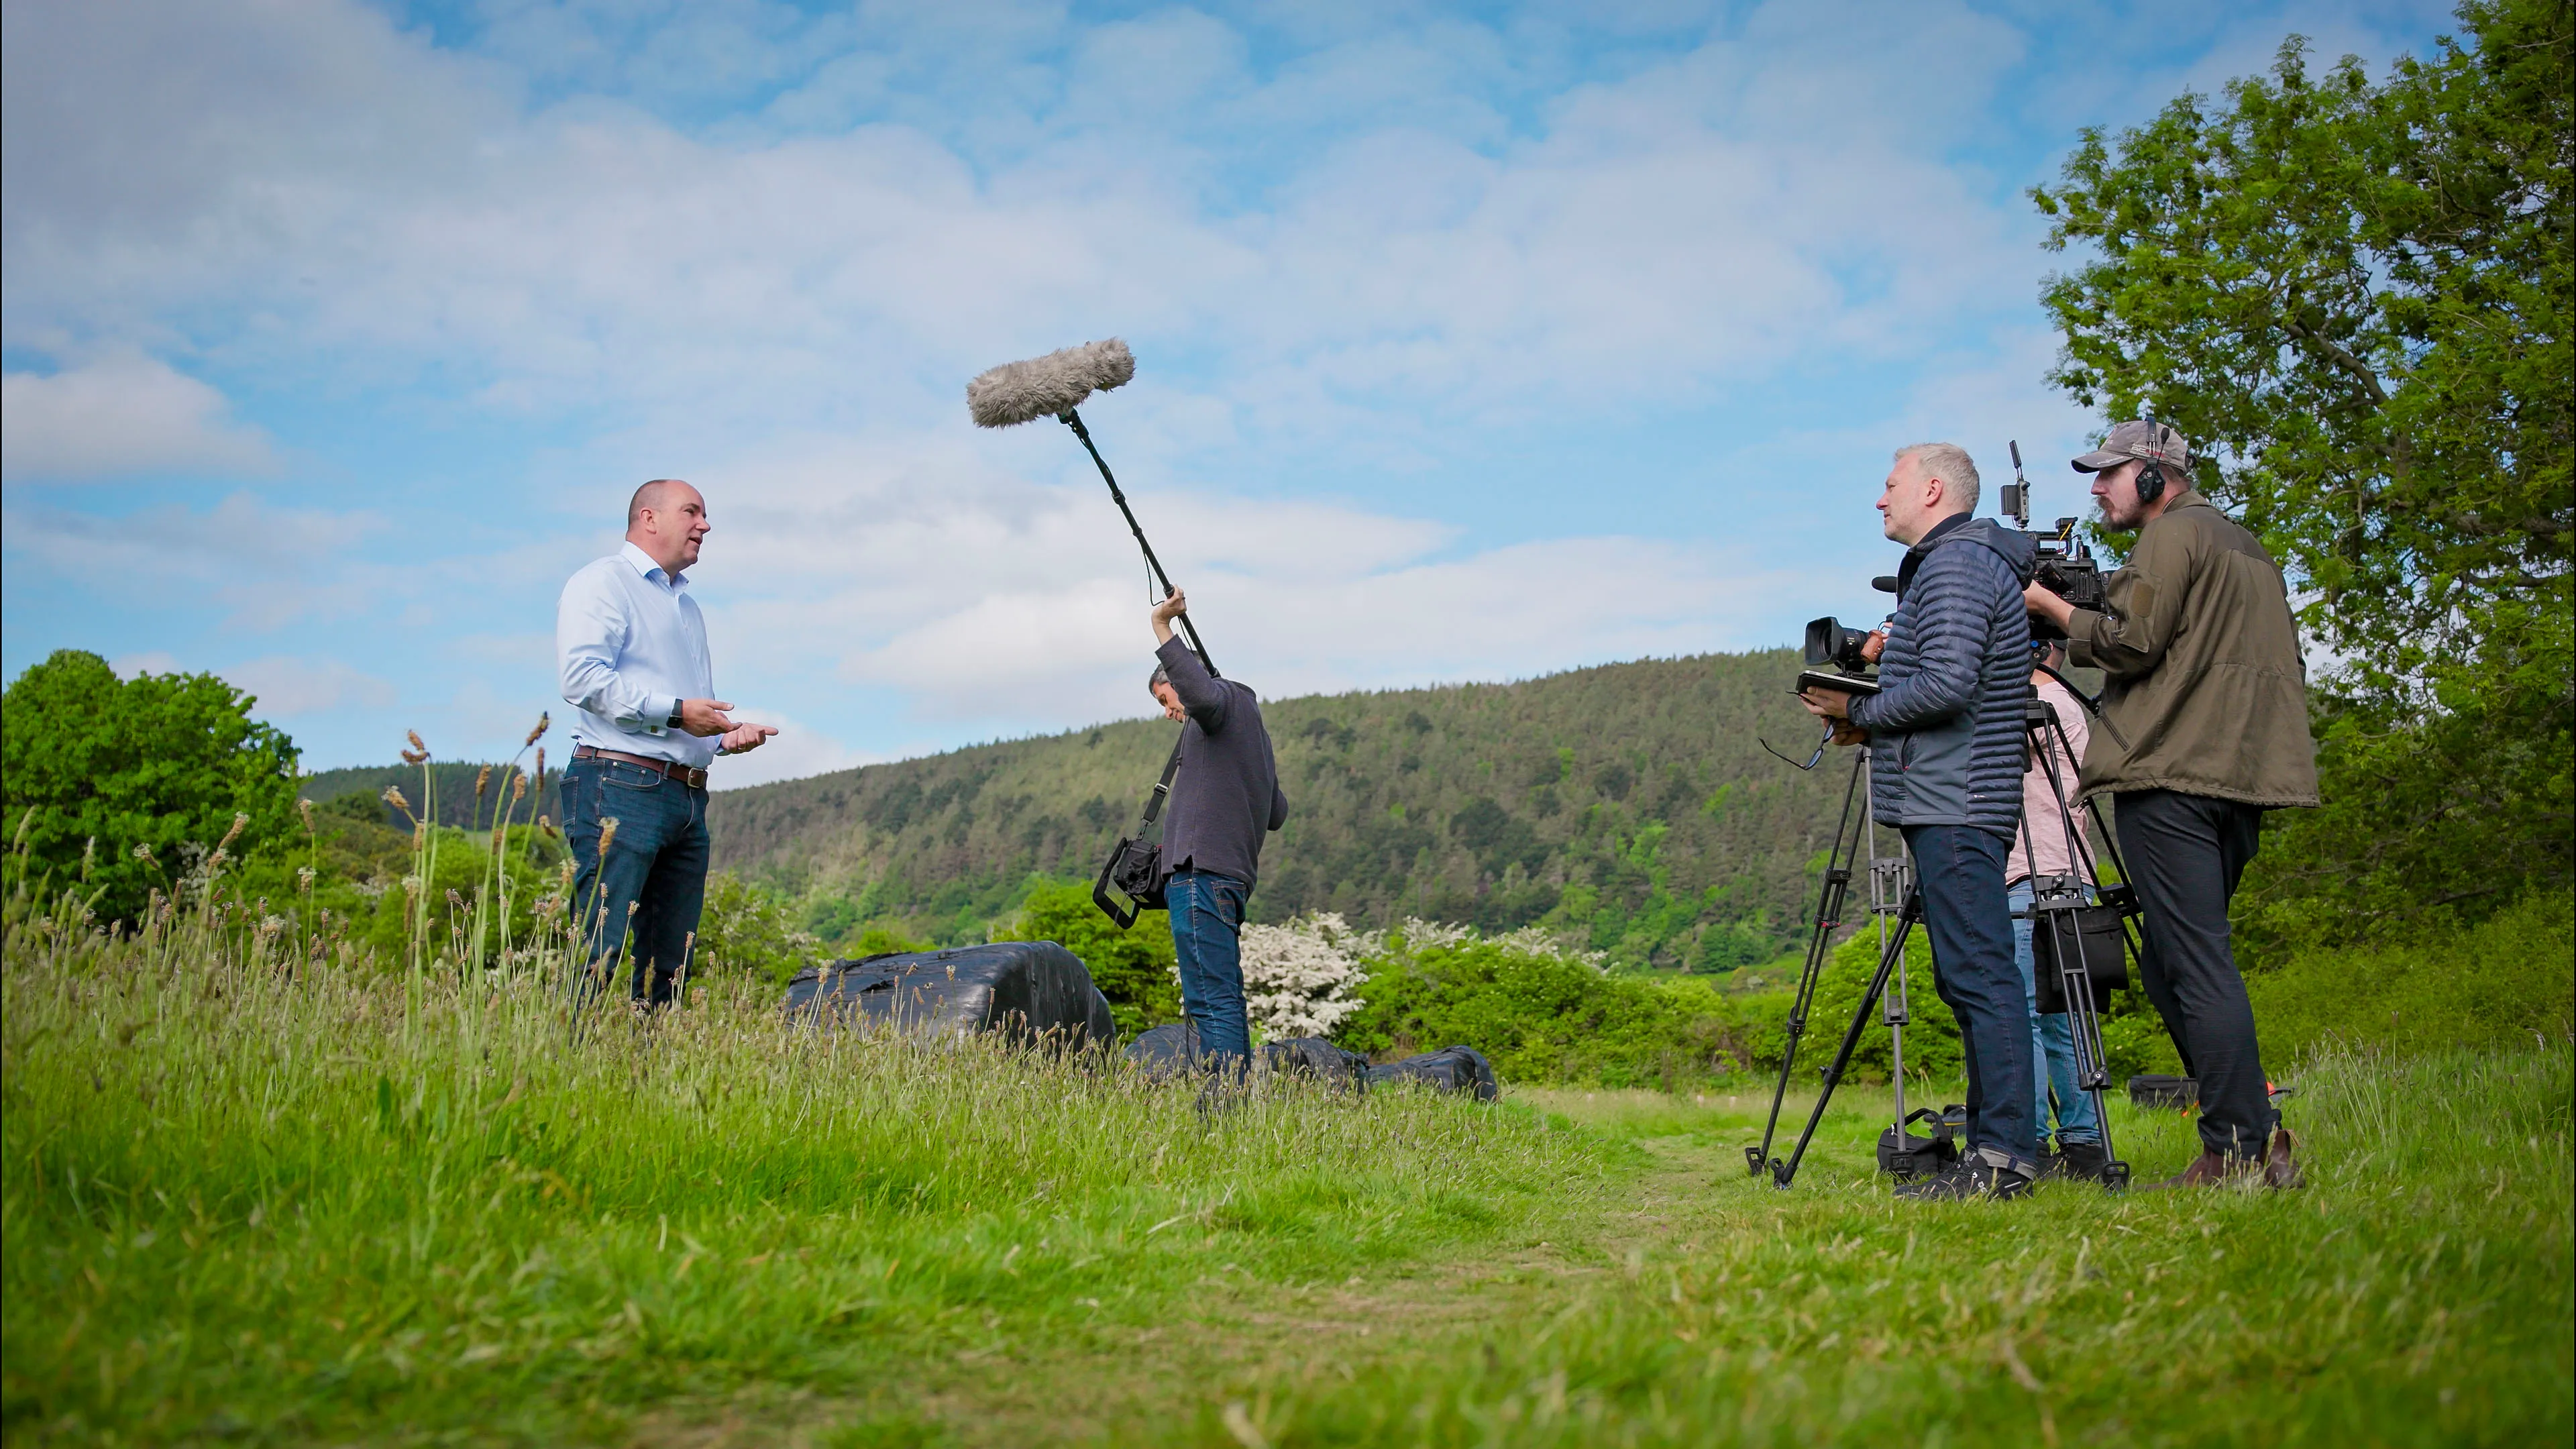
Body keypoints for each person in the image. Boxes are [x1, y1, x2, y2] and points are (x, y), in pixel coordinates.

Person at [2025, 421, 2315, 1189]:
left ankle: (2240, 1152)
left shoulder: (2170, 537)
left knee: (2197, 960)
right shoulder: (2248, 549)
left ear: (2153, 478)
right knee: (2166, 966)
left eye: (2108, 475)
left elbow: (2132, 640)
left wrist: (2049, 607)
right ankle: (2252, 1135)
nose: (2096, 490)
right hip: (2238, 779)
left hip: (2174, 778)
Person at [1803, 443, 2041, 1201]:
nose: (1880, 499)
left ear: (1933, 488)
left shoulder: (1959, 564)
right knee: (1968, 975)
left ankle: (2003, 1162)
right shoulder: (1954, 565)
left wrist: (1861, 709)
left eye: (1890, 484)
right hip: (1949, 795)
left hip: (1960, 799)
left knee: (1981, 975)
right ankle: (1991, 1154)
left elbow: (1947, 684)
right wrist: (1867, 725)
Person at [557, 479, 776, 1008]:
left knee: (670, 964)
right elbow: (581, 678)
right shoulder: (604, 582)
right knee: (598, 945)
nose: (705, 524)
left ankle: (648, 1077)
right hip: (619, 785)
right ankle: (565, 1067)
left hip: (686, 798)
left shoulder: (689, 609)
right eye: (692, 512)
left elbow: (686, 713)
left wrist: (721, 738)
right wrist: (679, 711)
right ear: (649, 518)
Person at [1147, 587, 1289, 1083]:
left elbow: (1203, 694)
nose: (1169, 712)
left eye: (1166, 700)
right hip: (1229, 879)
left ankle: (1225, 1105)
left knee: (1211, 999)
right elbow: (1277, 812)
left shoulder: (1219, 701)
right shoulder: (1252, 728)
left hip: (1202, 876)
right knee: (1222, 994)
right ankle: (1229, 1098)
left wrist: (1162, 626)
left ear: (1181, 683)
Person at [2009, 639, 2108, 1180]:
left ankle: (2029, 1144)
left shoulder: (2039, 705)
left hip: (2031, 871)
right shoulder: (2063, 704)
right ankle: (2085, 1144)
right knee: (2065, 1019)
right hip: (2067, 872)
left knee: (2023, 1016)